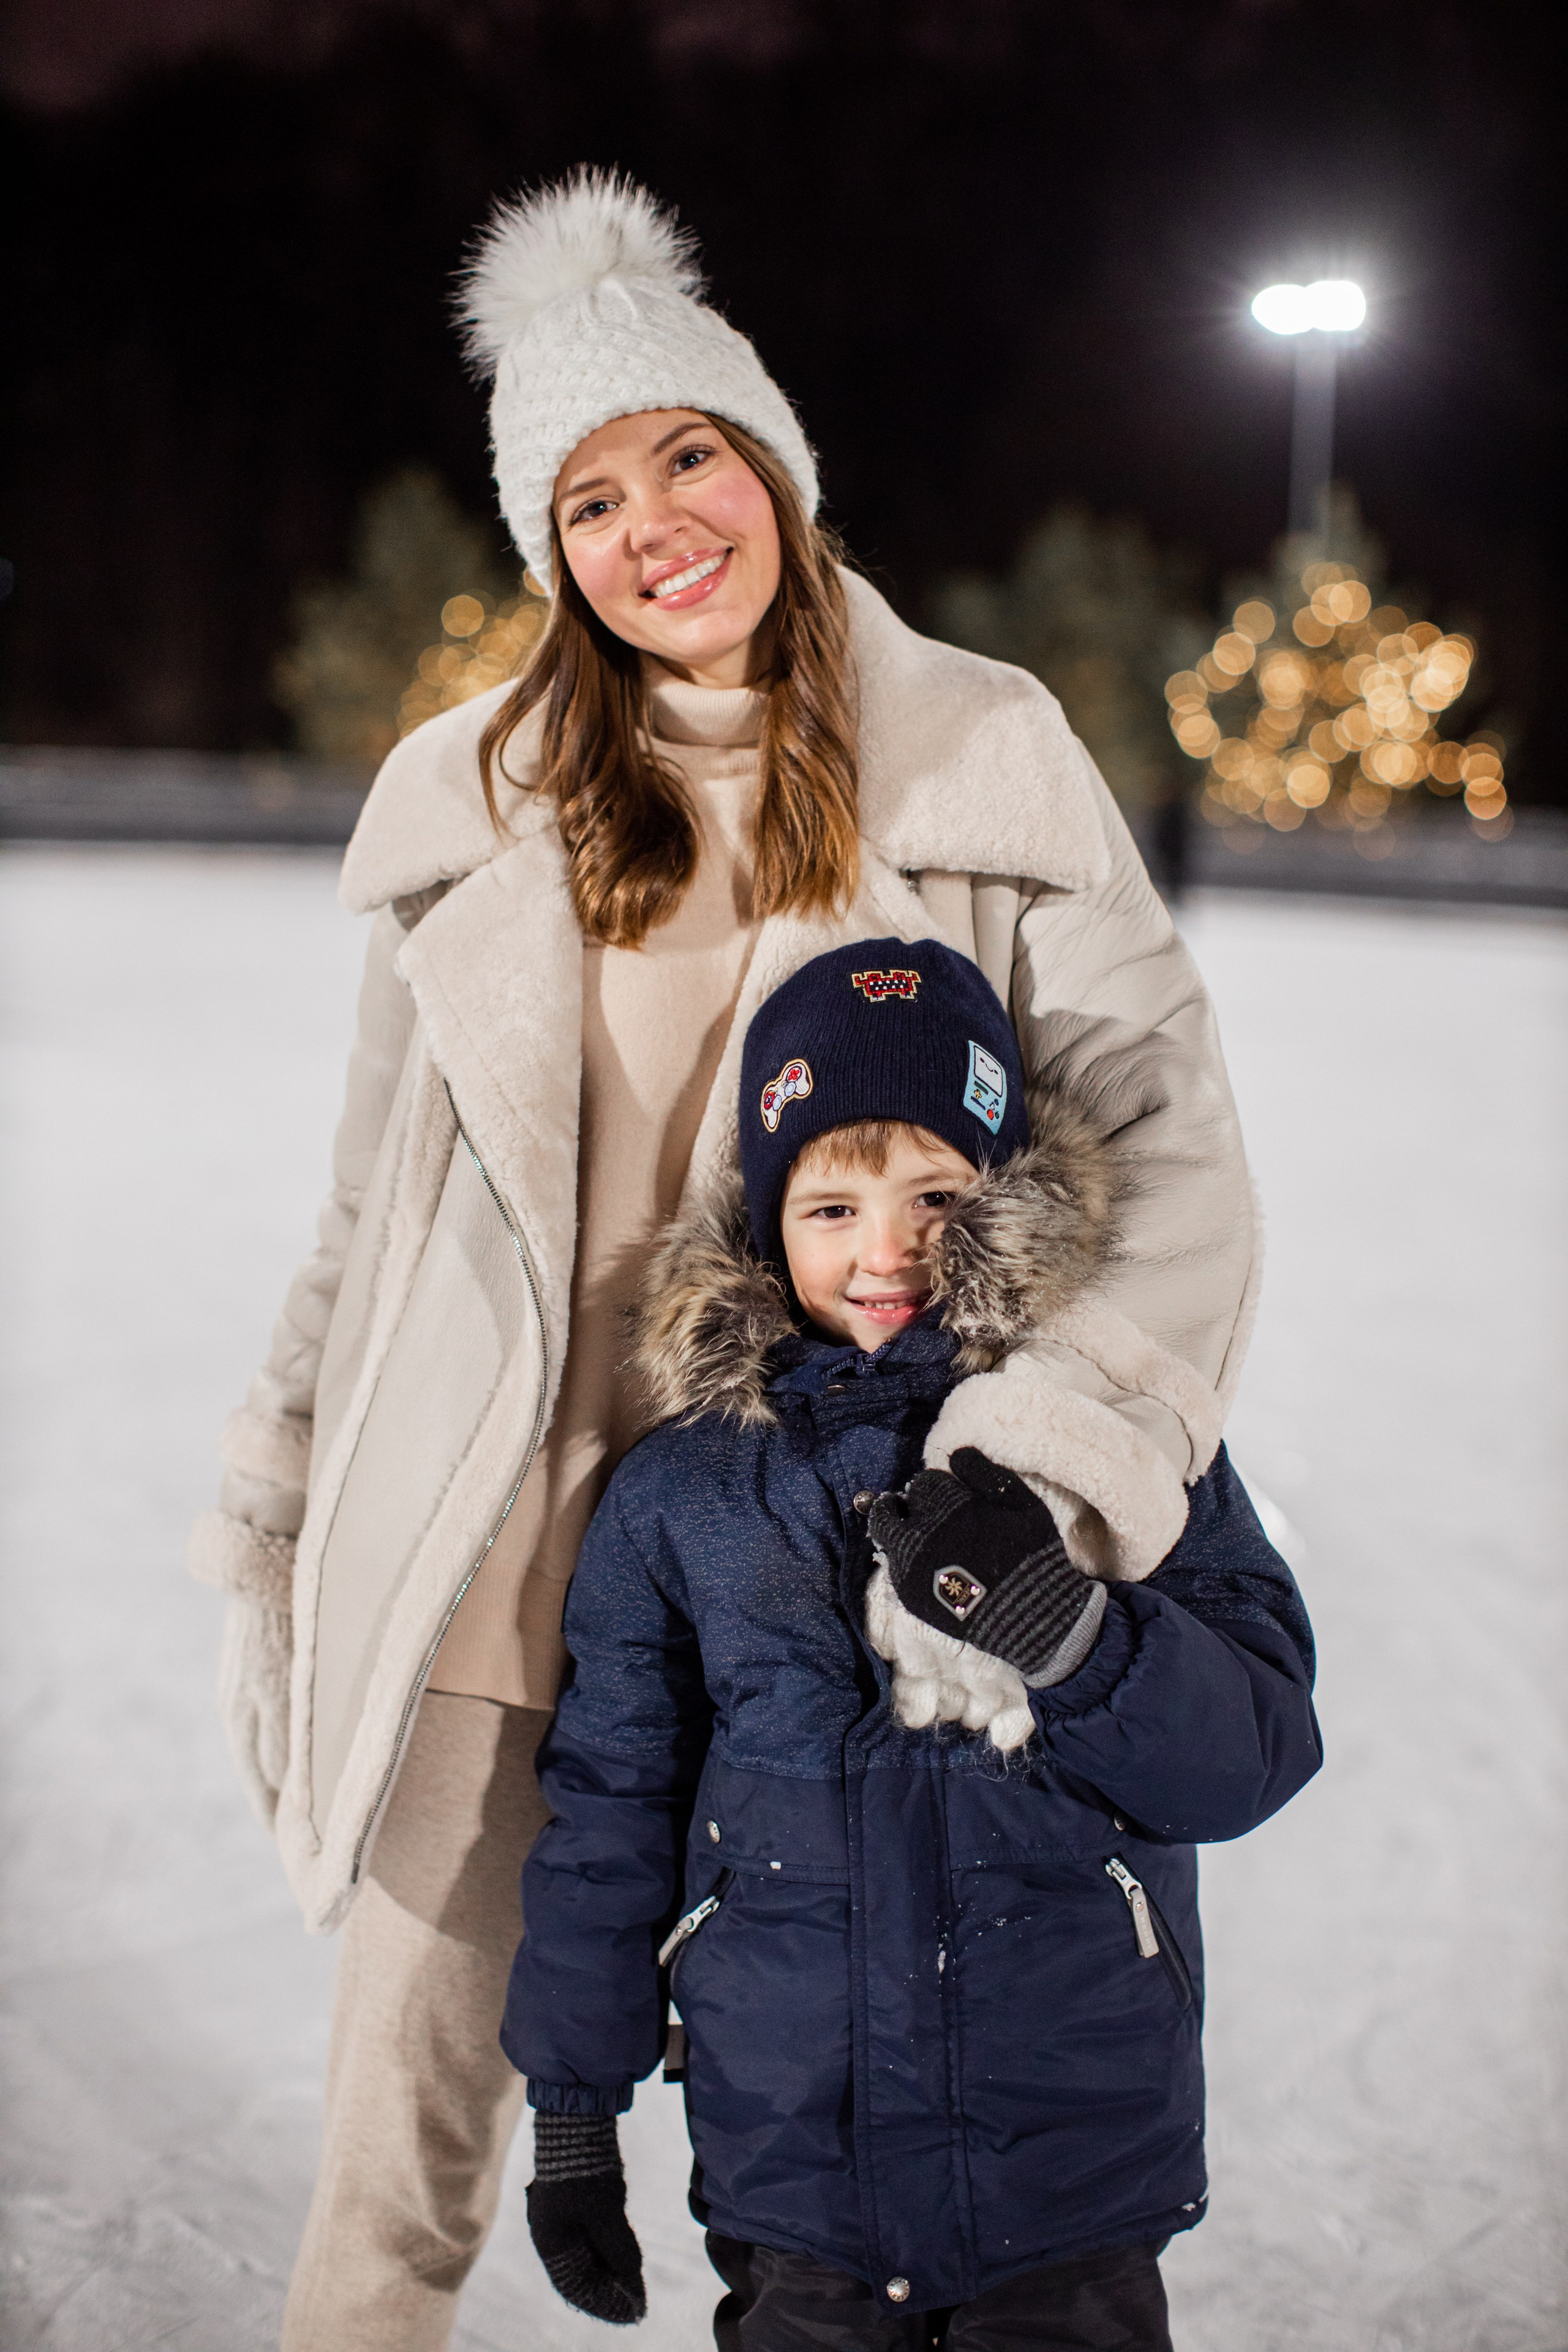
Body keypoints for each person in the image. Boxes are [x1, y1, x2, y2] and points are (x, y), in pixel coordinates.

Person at [188, 167, 1261, 2350]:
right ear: (545, 552)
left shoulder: (979, 755)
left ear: (772, 463)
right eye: (587, 497)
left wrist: (1043, 1461)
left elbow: (1174, 1152)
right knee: (394, 2175)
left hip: (819, 1569)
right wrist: (290, 1495)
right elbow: (368, 1210)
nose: (654, 520)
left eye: (689, 451)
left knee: (891, 2173)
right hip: (496, 1571)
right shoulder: (473, 805)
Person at [505, 937, 1321, 2349]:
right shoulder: (684, 1492)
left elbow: (1250, 1753)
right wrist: (574, 2108)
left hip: (1067, 2172)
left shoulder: (1110, 1434)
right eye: (830, 1204)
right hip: (795, 2173)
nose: (884, 1251)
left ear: (1002, 1201)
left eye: (935, 1196)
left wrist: (1066, 1635)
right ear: (764, 1223)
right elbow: (611, 1798)